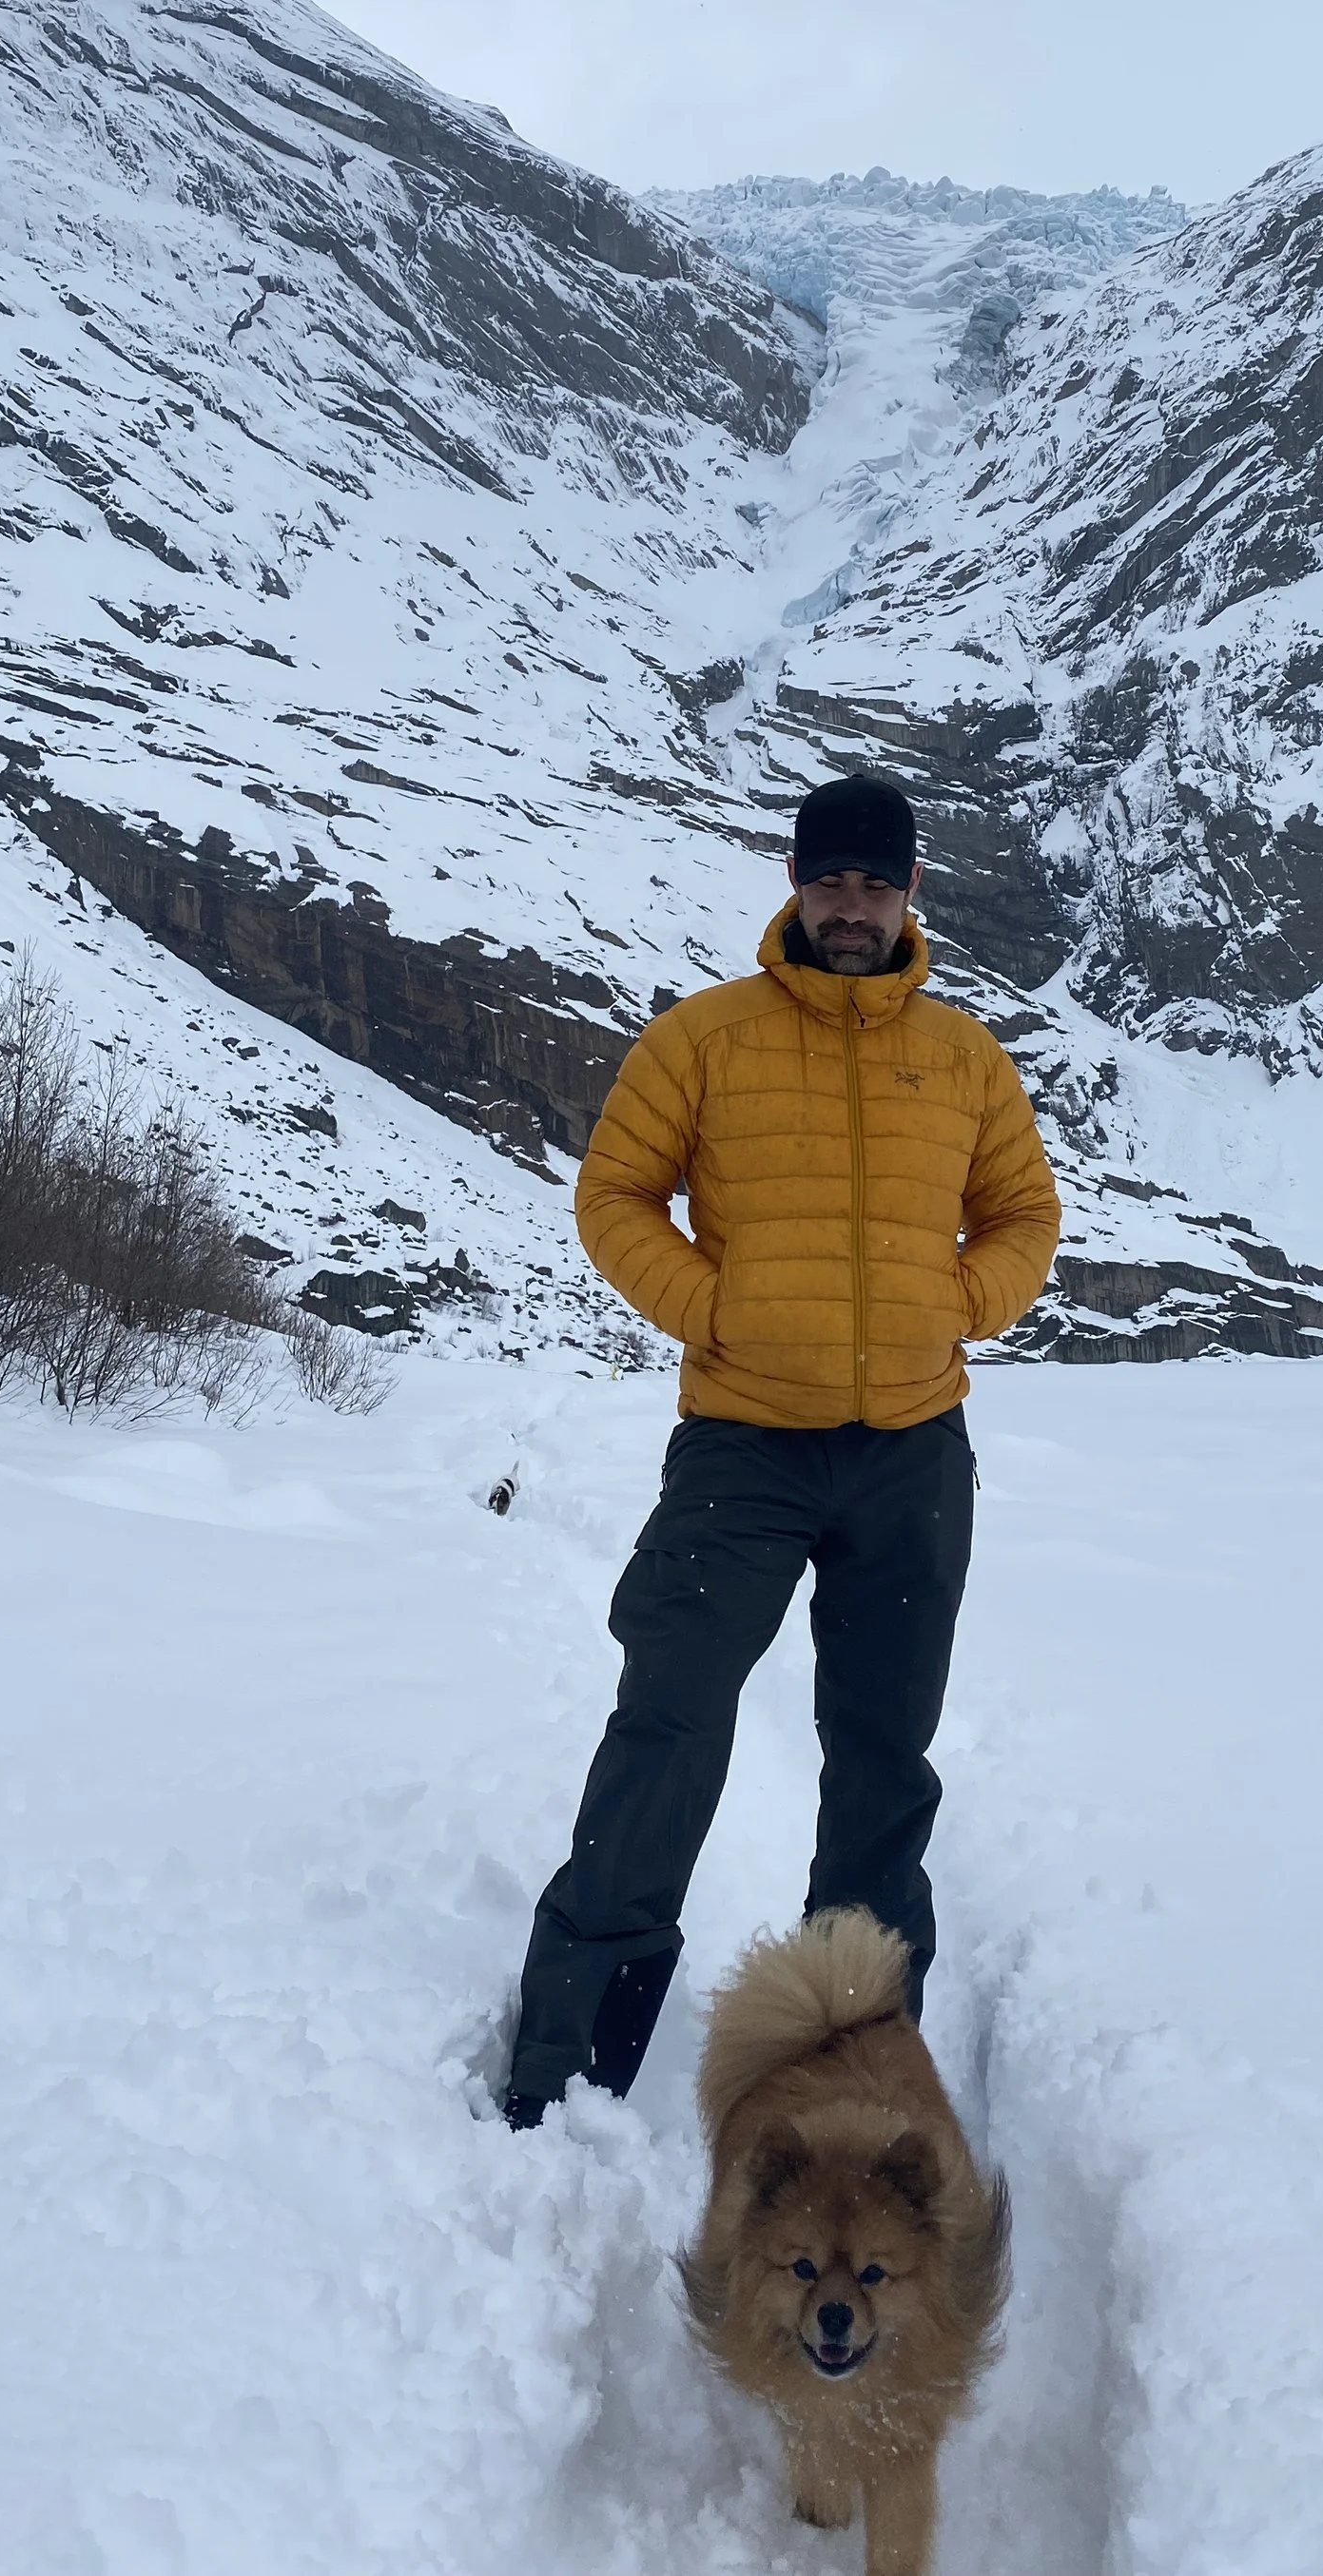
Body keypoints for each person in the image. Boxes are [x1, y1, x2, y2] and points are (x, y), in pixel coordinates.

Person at [501, 774, 1061, 2127]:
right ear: (796, 885)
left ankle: (854, 2067)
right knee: (670, 1724)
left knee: (881, 1759)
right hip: (741, 1451)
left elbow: (1023, 1215)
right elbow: (615, 1193)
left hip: (913, 1455)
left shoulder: (965, 1057)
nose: (853, 904)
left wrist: (958, 1304)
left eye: (877, 881)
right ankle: (569, 2059)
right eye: (832, 880)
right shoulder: (706, 1040)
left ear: (911, 890)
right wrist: (713, 1307)